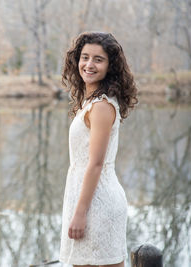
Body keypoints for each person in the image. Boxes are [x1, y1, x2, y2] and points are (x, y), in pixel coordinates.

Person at [59, 32, 138, 267]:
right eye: (85, 57)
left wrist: (80, 213)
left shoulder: (102, 106)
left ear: (110, 66)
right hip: (84, 197)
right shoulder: (91, 102)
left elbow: (95, 164)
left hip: (98, 202)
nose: (89, 65)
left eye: (98, 59)